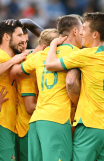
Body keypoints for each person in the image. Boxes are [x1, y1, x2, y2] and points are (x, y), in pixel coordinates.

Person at [8, 15, 83, 161]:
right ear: (74, 31)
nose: (82, 36)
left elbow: (13, 72)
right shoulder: (76, 54)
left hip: (36, 121)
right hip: (57, 119)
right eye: (81, 31)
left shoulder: (40, 55)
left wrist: (27, 53)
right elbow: (71, 82)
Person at [46, 12, 104, 161]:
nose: (82, 32)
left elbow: (50, 65)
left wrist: (53, 44)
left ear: (95, 34)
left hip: (90, 125)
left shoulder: (86, 55)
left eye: (84, 28)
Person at [0, 20, 27, 161]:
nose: (23, 40)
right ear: (7, 37)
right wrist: (12, 62)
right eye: (19, 35)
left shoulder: (13, 57)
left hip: (7, 124)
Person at [15, 28, 59, 161]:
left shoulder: (41, 62)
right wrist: (56, 105)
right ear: (47, 48)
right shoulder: (28, 67)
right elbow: (29, 107)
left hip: (40, 126)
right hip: (26, 130)